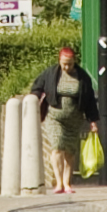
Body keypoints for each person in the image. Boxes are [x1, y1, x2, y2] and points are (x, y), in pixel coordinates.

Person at [27, 41, 98, 197]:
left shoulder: (82, 76)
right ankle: (59, 182)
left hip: (74, 119)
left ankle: (67, 182)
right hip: (55, 117)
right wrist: (34, 100)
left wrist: (93, 120)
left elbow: (89, 98)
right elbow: (37, 87)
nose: (67, 67)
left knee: (70, 152)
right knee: (57, 146)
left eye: (70, 64)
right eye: (64, 64)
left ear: (75, 62)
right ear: (59, 61)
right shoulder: (51, 73)